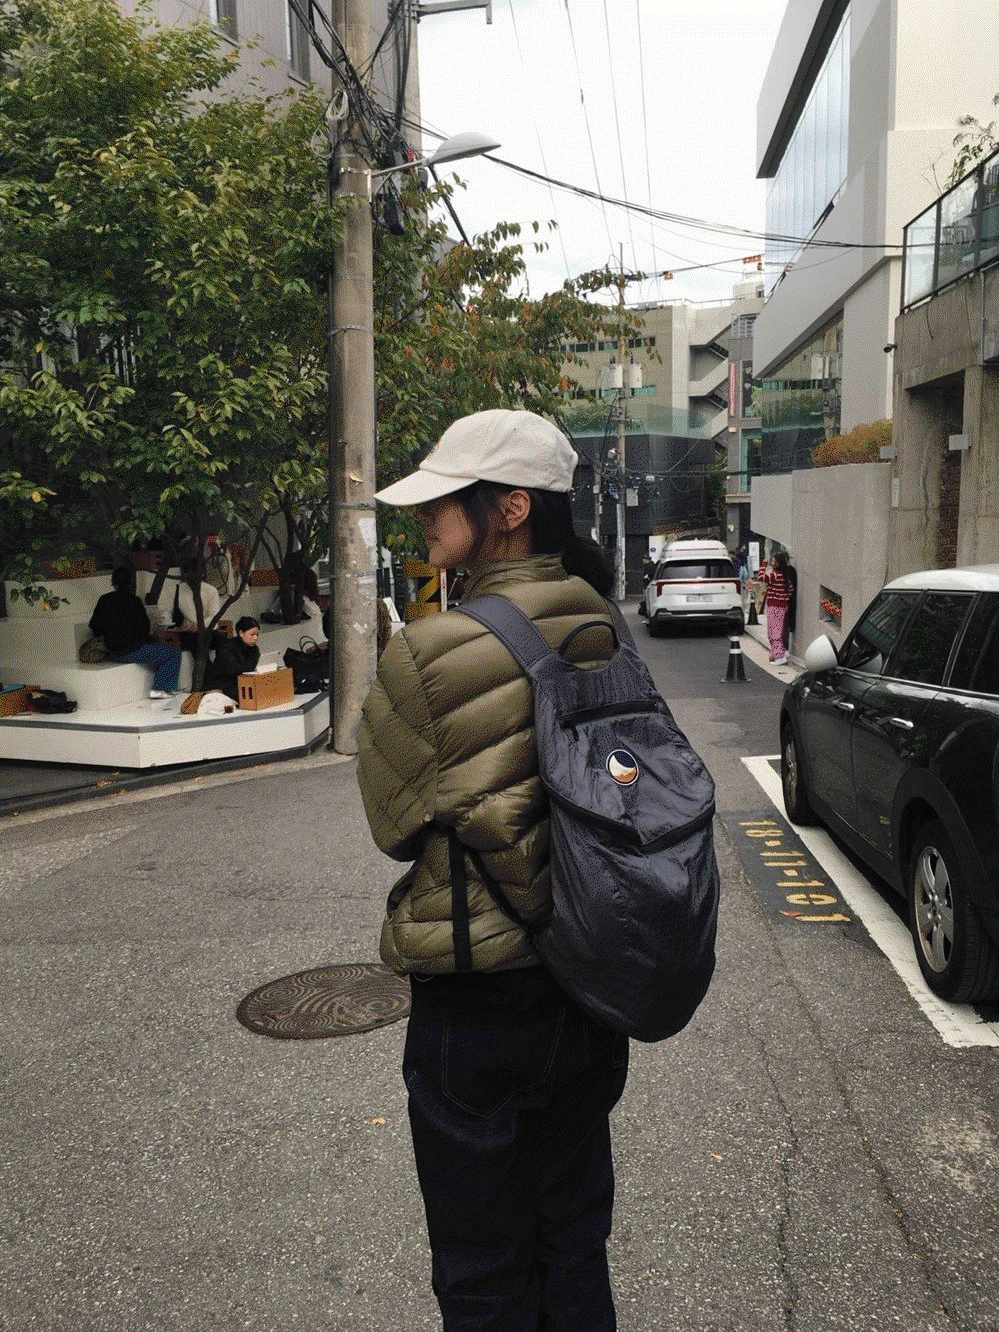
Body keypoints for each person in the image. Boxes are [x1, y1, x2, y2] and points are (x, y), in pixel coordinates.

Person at [357, 409, 628, 1332]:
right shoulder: (606, 622)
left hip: (478, 992)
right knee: (573, 1239)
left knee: (481, 1262)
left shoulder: (428, 648)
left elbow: (393, 826)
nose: (423, 517)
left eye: (443, 499)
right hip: (591, 976)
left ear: (510, 508)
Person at [89, 566, 181, 699]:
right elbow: (145, 628)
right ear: (131, 582)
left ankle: (164, 688)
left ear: (113, 583)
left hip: (112, 650)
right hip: (131, 650)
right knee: (172, 654)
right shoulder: (134, 601)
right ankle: (161, 688)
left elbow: (94, 626)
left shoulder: (104, 600)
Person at [206, 616, 260, 700]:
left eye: (257, 635)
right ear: (241, 633)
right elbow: (234, 669)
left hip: (240, 683)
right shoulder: (227, 647)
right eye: (252, 634)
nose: (255, 638)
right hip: (223, 685)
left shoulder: (254, 649)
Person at [760, 549, 794, 665]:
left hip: (774, 606)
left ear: (778, 563)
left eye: (774, 561)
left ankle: (779, 656)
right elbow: (790, 590)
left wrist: (763, 565)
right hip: (782, 607)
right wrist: (783, 598)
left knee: (773, 632)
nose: (772, 563)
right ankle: (780, 652)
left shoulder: (774, 576)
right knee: (778, 630)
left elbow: (761, 577)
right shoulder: (785, 576)